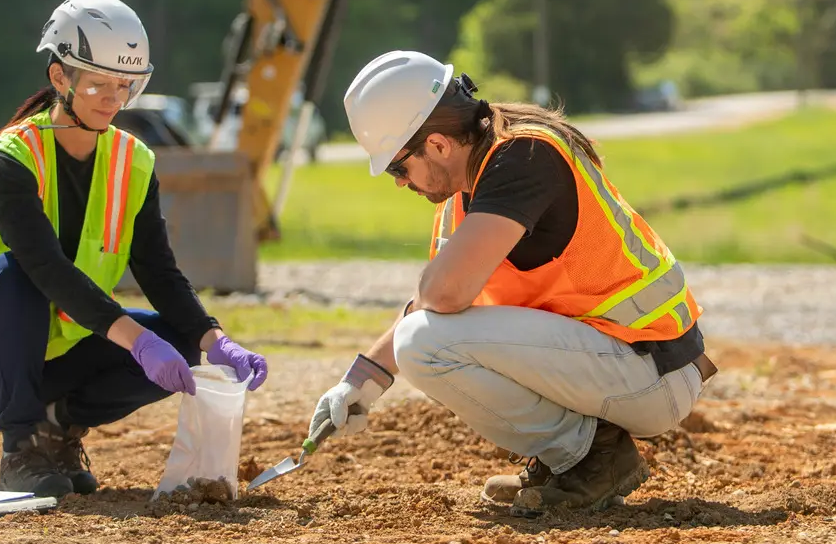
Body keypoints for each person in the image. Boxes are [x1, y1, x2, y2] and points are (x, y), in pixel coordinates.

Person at [307, 50, 716, 516]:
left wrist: (393, 354)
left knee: (424, 344)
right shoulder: (472, 186)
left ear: (438, 145)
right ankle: (577, 458)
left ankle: (590, 456)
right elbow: (435, 299)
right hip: (617, 360)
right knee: (422, 338)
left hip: (651, 369)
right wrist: (362, 380)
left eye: (399, 168)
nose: (401, 183)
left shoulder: (523, 158)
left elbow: (441, 296)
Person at [0, 0, 270, 498]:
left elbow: (158, 268)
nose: (114, 98)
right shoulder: (12, 158)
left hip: (62, 344)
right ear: (60, 77)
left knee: (180, 344)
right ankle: (20, 446)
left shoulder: (135, 161)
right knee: (17, 270)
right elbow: (44, 267)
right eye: (100, 84)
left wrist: (211, 339)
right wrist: (135, 339)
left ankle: (59, 427)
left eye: (126, 85)